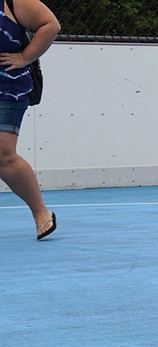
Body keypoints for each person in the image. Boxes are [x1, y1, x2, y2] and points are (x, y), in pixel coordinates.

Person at [0, 0, 60, 240]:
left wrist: (25, 57)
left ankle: (40, 211)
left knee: (3, 153)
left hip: (8, 88)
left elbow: (50, 25)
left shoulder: (12, 2)